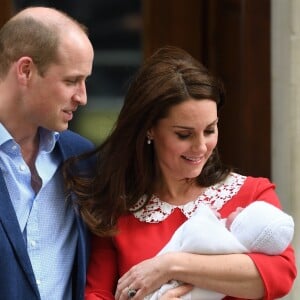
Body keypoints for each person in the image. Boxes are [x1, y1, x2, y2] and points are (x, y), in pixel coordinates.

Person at [63, 46, 297, 300]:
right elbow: (97, 294)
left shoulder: (252, 195)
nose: (200, 147)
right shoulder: (116, 210)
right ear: (150, 129)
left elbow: (280, 274)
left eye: (209, 130)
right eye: (184, 135)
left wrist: (168, 266)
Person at [0, 6, 94, 300]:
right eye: (70, 81)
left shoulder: (84, 160)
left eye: (85, 80)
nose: (82, 97)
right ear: (25, 70)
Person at [146, 200, 294, 300]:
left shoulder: (224, 244)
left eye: (243, 213)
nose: (239, 207)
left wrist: (205, 214)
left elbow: (194, 237)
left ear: (242, 227)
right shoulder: (240, 254)